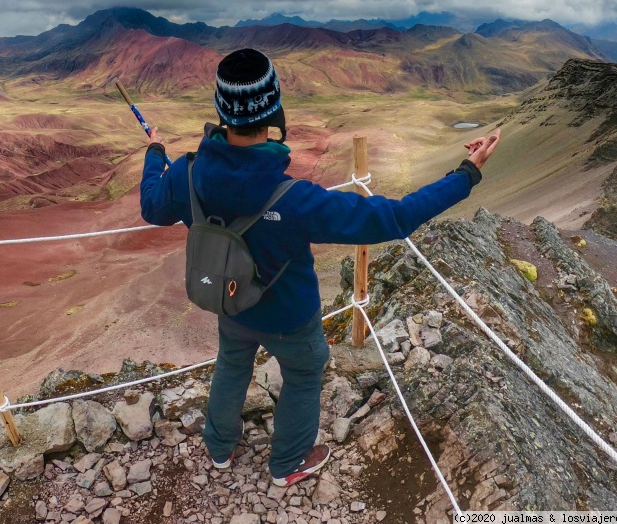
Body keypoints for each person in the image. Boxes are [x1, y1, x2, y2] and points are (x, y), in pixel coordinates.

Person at [140, 48, 500, 487]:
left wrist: (155, 152)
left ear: (221, 112)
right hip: (290, 318)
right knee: (305, 373)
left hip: (229, 303)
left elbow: (151, 205)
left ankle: (218, 449)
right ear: (273, 111)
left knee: (232, 364)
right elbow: (395, 217)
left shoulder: (187, 173)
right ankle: (287, 463)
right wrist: (467, 173)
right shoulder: (296, 199)